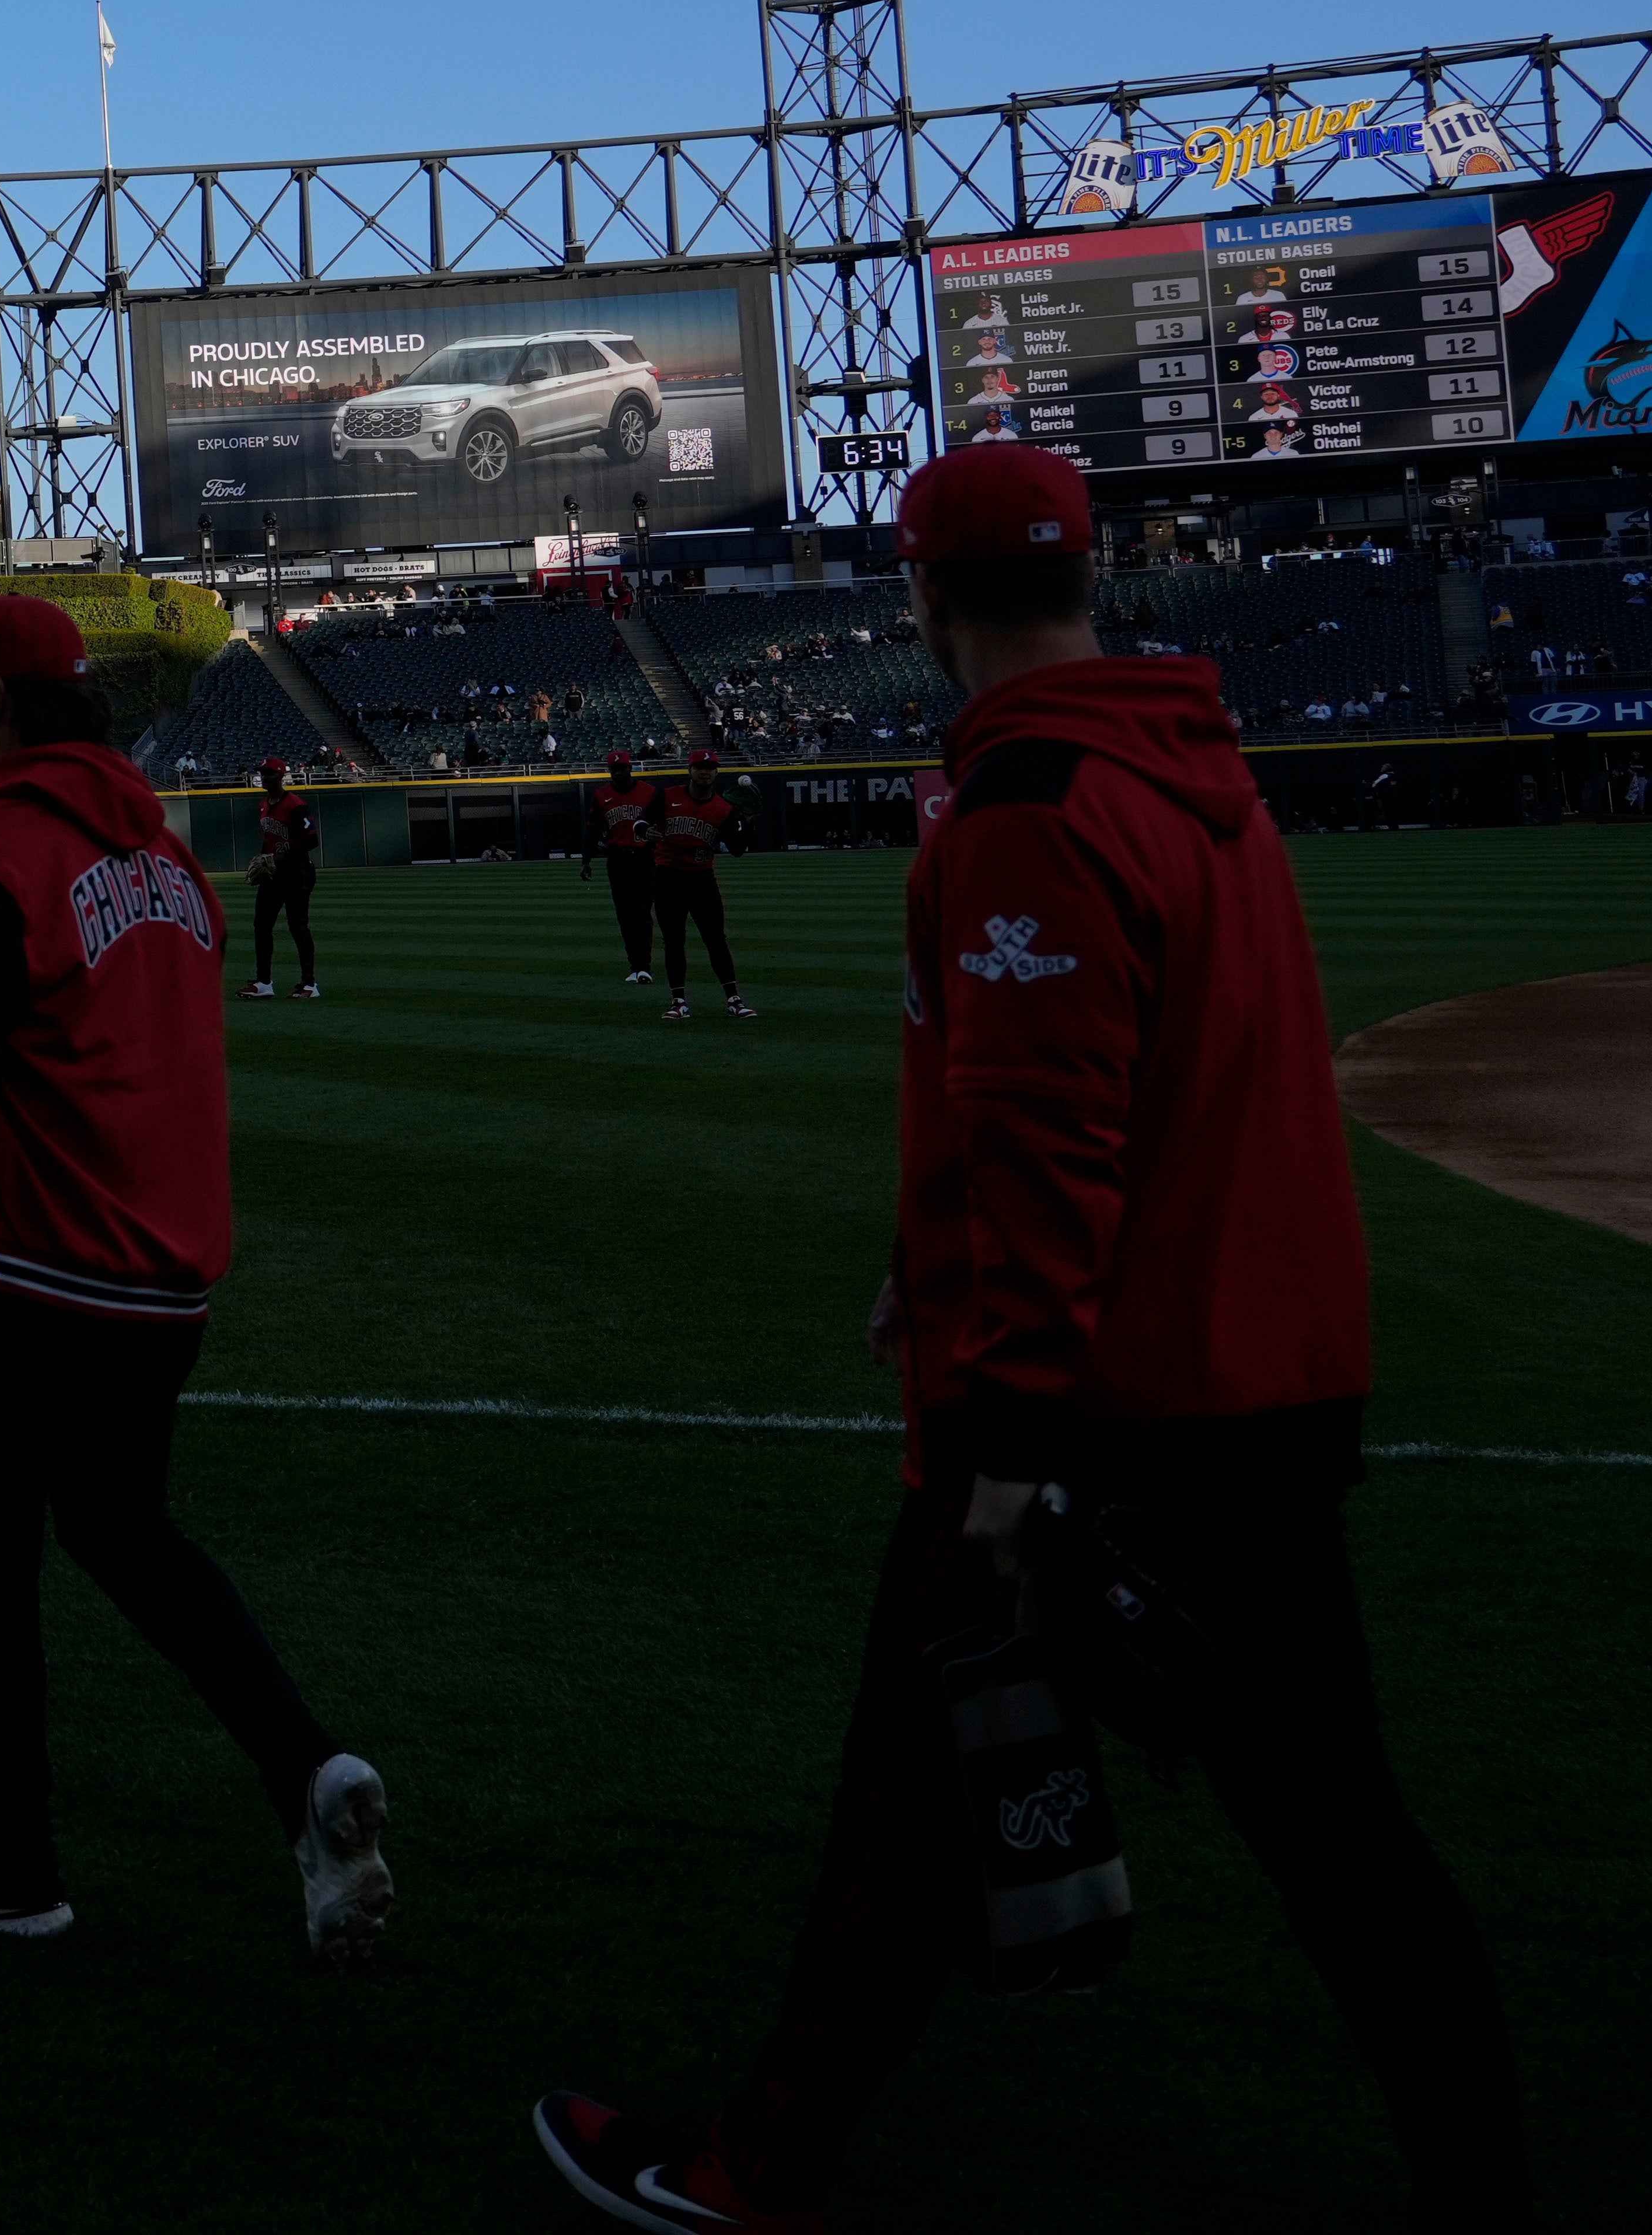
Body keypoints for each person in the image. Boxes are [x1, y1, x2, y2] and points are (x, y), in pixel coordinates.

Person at [534, 442, 1524, 2234]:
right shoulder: (1186, 763)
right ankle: (1483, 2187)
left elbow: (1053, 1135)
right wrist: (927, 1265)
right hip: (1264, 1374)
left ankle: (751, 2172)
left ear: (924, 592)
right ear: (1086, 574)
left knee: (917, 1801)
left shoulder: (1032, 795)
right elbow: (1119, 1095)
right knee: (1324, 1839)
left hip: (1105, 1421)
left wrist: (1005, 1439)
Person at [0, 593, 391, 1951]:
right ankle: (307, 1771)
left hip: (12, 1273)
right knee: (127, 1532)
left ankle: (6, 1865)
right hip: (160, 1281)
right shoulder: (169, 862)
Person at [649, 749, 750, 1019]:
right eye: (700, 767)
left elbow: (738, 850)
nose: (705, 772)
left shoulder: (724, 809)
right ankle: (678, 1002)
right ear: (690, 770)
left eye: (710, 768)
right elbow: (642, 821)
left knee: (716, 940)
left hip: (702, 879)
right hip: (668, 877)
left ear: (716, 772)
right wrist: (644, 830)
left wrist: (749, 823)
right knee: (674, 941)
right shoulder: (667, 796)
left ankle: (734, 1000)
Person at [238, 757, 320, 1001]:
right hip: (274, 875)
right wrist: (263, 860)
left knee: (298, 927)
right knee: (261, 925)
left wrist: (280, 858)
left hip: (298, 873)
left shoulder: (296, 805)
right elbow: (269, 840)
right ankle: (264, 983)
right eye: (262, 774)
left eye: (269, 774)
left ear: (281, 776)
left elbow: (311, 840)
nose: (264, 777)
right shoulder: (263, 806)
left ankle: (310, 985)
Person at [585, 749, 661, 988]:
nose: (618, 773)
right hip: (617, 858)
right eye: (614, 770)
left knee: (641, 911)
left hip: (644, 857)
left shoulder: (650, 792)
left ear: (630, 768)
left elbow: (663, 823)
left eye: (622, 769)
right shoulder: (601, 796)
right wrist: (586, 861)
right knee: (624, 914)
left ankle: (644, 966)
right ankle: (635, 966)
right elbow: (593, 830)